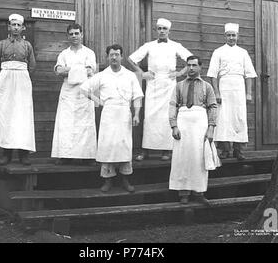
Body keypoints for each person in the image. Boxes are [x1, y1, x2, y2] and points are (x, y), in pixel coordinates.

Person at [81, 44, 143, 193]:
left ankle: (125, 180)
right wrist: (99, 101)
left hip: (124, 114)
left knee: (124, 146)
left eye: (117, 54)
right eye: (111, 55)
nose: (114, 57)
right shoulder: (102, 75)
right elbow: (84, 88)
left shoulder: (129, 75)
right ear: (107, 57)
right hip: (108, 114)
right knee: (107, 146)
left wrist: (136, 114)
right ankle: (107, 180)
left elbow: (137, 96)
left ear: (121, 56)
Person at [128, 18, 192, 161]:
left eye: (164, 28)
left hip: (169, 84)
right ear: (156, 30)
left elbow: (191, 59)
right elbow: (131, 59)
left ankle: (166, 150)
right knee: (150, 116)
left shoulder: (176, 45)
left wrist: (180, 73)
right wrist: (142, 73)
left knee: (167, 116)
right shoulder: (149, 45)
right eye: (159, 28)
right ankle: (146, 150)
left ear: (169, 31)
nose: (162, 31)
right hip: (153, 83)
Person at [169, 55, 217, 204]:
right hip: (183, 124)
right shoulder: (179, 86)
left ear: (200, 67)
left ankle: (199, 192)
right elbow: (172, 105)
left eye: (194, 65)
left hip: (199, 124)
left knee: (198, 157)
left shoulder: (207, 86)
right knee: (182, 157)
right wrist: (174, 125)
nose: (191, 68)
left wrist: (210, 129)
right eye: (188, 65)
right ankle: (183, 193)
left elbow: (213, 107)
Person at [207, 23, 257, 160]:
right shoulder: (218, 52)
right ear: (225, 36)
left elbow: (249, 74)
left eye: (233, 35)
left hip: (239, 88)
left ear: (237, 36)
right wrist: (216, 92)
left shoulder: (243, 53)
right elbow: (212, 75)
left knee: (239, 118)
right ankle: (225, 149)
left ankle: (238, 150)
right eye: (228, 35)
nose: (231, 38)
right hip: (224, 88)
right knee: (223, 118)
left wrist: (248, 93)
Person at [51, 23, 97, 165]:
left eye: (77, 33)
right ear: (68, 36)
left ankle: (87, 156)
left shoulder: (89, 53)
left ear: (82, 34)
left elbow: (90, 71)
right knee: (66, 124)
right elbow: (58, 71)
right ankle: (65, 155)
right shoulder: (64, 54)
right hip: (68, 92)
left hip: (84, 91)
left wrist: (69, 70)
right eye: (71, 34)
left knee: (85, 123)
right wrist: (78, 69)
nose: (74, 36)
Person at [0, 13, 36, 165]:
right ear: (9, 27)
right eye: (13, 24)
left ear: (23, 28)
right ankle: (7, 154)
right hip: (5, 82)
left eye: (19, 25)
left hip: (22, 81)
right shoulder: (1, 44)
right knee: (7, 115)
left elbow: (32, 65)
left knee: (23, 116)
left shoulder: (27, 45)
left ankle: (23, 154)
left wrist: (21, 78)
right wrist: (4, 80)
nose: (16, 27)